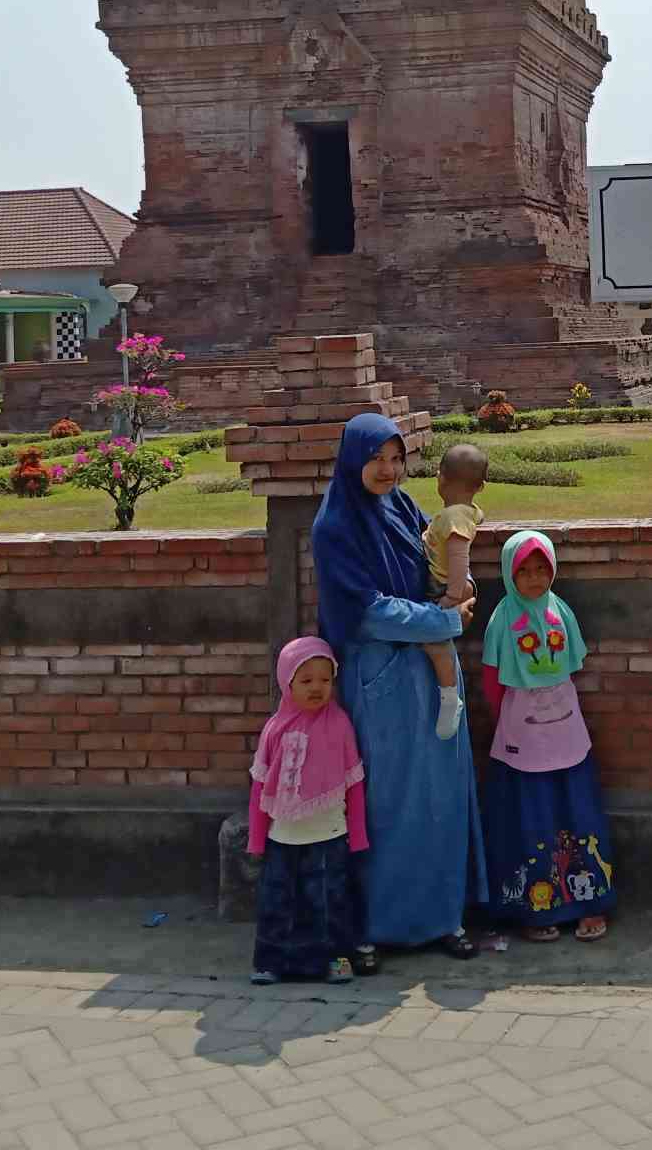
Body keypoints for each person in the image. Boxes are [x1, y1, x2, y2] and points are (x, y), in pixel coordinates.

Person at [312, 412, 485, 965]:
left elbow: (428, 567)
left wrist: (456, 587)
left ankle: (443, 917)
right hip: (381, 681)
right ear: (352, 460)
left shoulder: (404, 508)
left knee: (441, 798)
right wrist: (445, 621)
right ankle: (372, 928)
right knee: (385, 805)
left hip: (432, 678)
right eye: (375, 459)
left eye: (395, 459)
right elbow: (365, 612)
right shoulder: (336, 526)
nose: (387, 470)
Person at [480, 530, 613, 943]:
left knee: (576, 811)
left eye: (543, 569)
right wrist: (510, 718)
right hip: (522, 730)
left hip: (565, 724)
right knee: (530, 816)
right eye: (525, 571)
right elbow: (490, 679)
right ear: (509, 574)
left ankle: (588, 903)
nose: (536, 579)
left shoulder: (561, 610)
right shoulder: (503, 617)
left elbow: (570, 664)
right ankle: (537, 909)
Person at [246, 637, 368, 985]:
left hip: (329, 835)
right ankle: (271, 962)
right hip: (281, 837)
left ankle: (335, 961)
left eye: (325, 680)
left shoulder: (340, 725)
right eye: (306, 680)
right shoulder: (274, 729)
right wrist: (257, 840)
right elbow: (259, 787)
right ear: (287, 682)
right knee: (277, 904)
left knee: (330, 903)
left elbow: (354, 782)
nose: (317, 687)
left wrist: (357, 836)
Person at [421, 443, 489, 740]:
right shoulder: (469, 512)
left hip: (442, 587)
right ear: (480, 487)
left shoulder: (453, 518)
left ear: (440, 478)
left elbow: (460, 558)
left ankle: (450, 698)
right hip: (446, 584)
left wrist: (452, 594)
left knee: (436, 645)